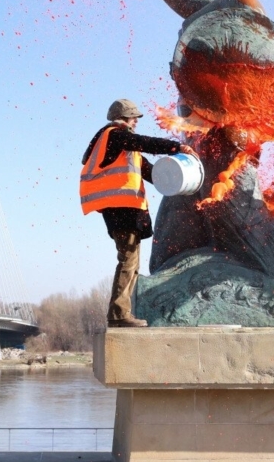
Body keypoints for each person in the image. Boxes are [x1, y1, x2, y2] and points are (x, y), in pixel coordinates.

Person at [80, 99, 197, 328]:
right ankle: (119, 315)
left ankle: (122, 313)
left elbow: (152, 173)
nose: (136, 122)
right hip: (121, 209)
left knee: (131, 262)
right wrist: (177, 147)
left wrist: (179, 185)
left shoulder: (124, 149)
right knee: (128, 260)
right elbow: (144, 142)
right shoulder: (115, 135)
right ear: (124, 118)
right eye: (134, 117)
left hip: (122, 209)